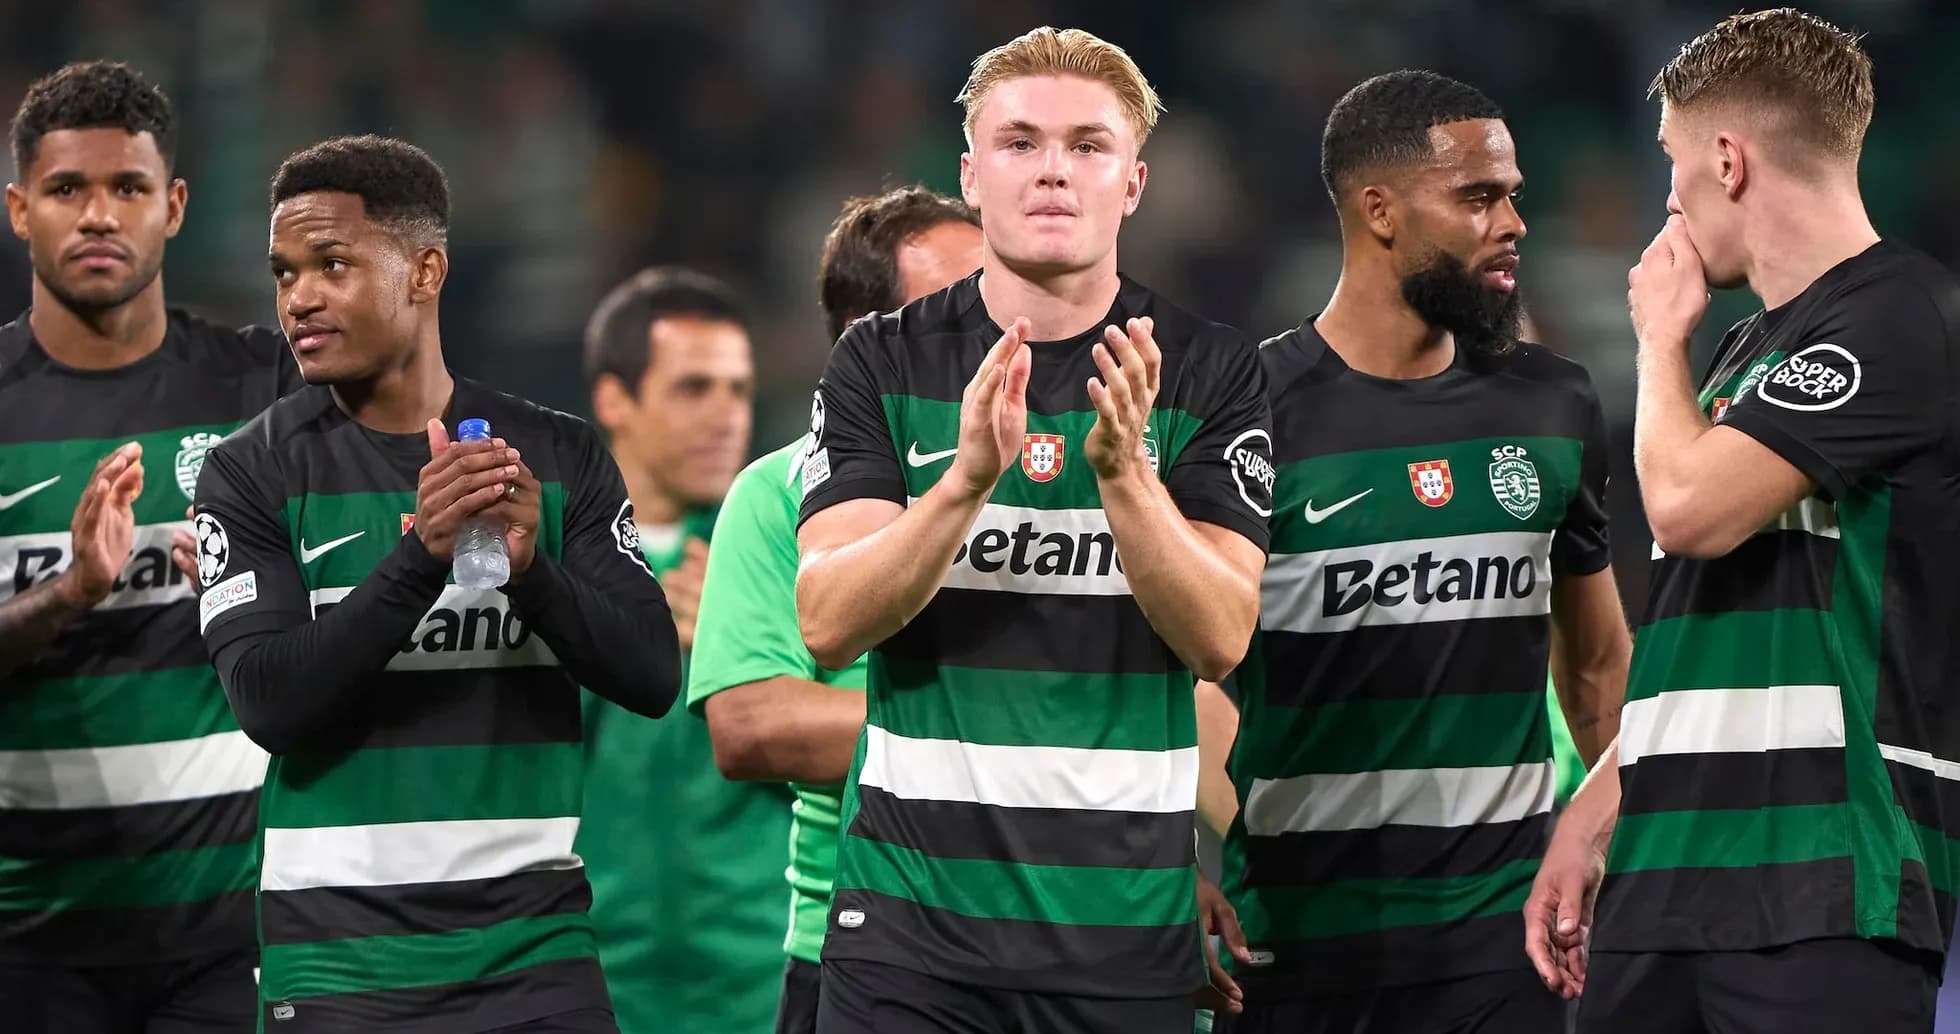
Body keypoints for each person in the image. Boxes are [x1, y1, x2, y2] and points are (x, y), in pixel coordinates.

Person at [794, 27, 1274, 1034]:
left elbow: (1220, 636)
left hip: (1121, 941)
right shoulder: (879, 361)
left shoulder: (1210, 370)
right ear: (971, 175)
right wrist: (966, 480)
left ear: (1133, 182)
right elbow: (828, 621)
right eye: (1020, 143)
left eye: (1087, 145)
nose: (1053, 169)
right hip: (909, 942)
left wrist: (1126, 479)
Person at [1526, 10, 1960, 1033]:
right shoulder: (1742, 357)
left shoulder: (1902, 314)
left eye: (1672, 165)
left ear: (1727, 160)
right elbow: (1705, 630)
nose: (1668, 199)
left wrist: (1655, 340)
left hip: (1820, 881)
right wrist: (1595, 810)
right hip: (1667, 884)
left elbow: (1688, 512)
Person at [192, 134, 680, 1033]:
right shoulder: (249, 473)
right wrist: (422, 558)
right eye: (284, 272)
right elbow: (269, 703)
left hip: (535, 957)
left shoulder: (556, 454)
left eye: (332, 264)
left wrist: (532, 573)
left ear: (424, 271)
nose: (299, 297)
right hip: (339, 965)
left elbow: (653, 675)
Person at [1205, 70, 1630, 1034]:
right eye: (1478, 197)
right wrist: (1161, 865)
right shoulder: (1248, 413)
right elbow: (1159, 673)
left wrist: (1615, 845)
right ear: (1380, 211)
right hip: (1296, 939)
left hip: (1502, 942)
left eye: (1512, 195)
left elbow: (1597, 663)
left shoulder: (1554, 402)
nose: (1513, 222)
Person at [0, 60, 300, 1033]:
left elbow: (360, 597)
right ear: (19, 210)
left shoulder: (267, 388)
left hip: (230, 938)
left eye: (127, 188)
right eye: (66, 189)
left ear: (172, 207)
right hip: (28, 940)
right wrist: (67, 593)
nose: (99, 215)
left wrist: (263, 589)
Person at [686, 185, 983, 1034]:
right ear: (867, 339)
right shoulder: (778, 493)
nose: (1000, 330)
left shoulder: (1069, 482)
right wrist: (999, 728)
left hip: (1071, 935)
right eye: (958, 308)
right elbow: (752, 725)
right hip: (864, 945)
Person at [573, 266, 779, 1034]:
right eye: (694, 389)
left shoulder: (792, 557)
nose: (727, 417)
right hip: (588, 986)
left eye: (740, 390)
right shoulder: (540, 561)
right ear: (613, 400)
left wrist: (763, 638)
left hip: (763, 986)